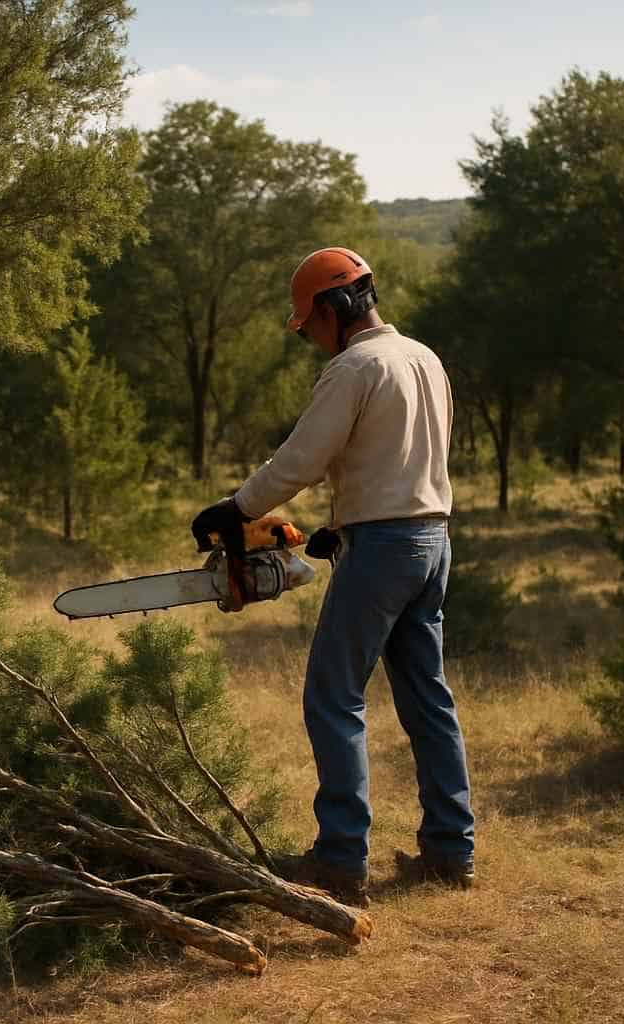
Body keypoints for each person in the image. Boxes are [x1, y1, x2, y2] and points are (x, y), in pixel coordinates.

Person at [190, 247, 475, 906]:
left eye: (310, 324)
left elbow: (301, 460)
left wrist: (236, 510)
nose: (311, 339)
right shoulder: (423, 357)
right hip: (431, 539)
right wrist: (345, 526)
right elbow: (397, 456)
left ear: (332, 306)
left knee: (332, 696)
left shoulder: (356, 366)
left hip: (384, 547)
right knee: (428, 698)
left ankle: (341, 858)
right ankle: (450, 852)